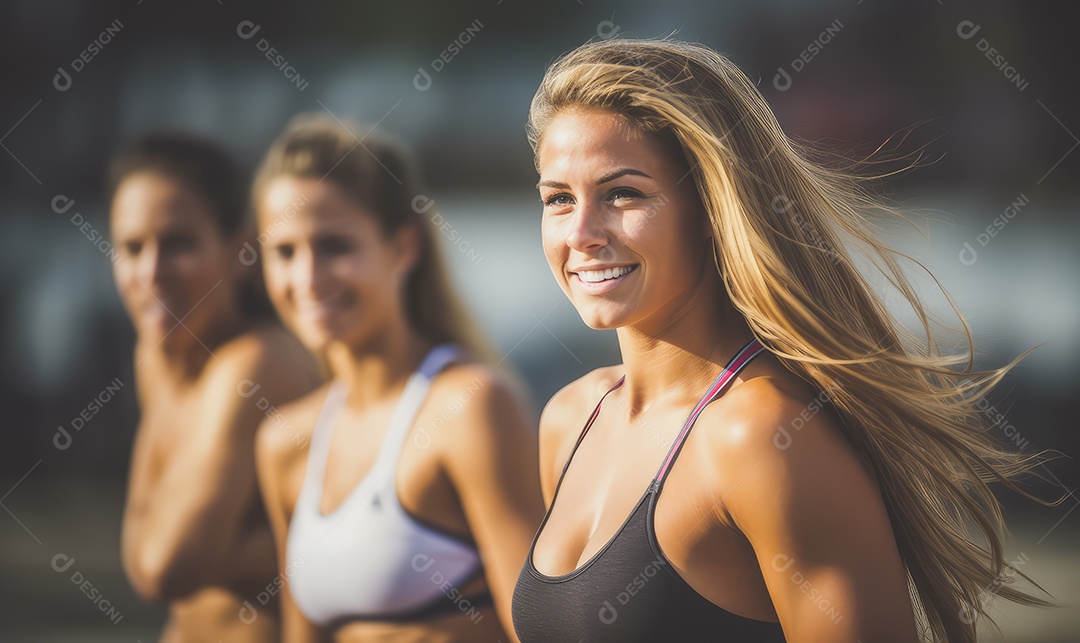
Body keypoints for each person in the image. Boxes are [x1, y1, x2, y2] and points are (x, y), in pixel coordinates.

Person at [510, 39, 1054, 643]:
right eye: (558, 198)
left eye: (623, 193)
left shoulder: (764, 435)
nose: (581, 233)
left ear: (713, 207)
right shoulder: (570, 418)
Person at [252, 115, 544, 642]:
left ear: (402, 248)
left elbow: (538, 630)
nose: (307, 278)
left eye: (335, 246)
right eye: (284, 251)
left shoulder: (470, 406)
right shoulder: (284, 442)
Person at [109, 132, 321, 641]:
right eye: (131, 247)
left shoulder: (256, 364)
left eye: (178, 244)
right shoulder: (157, 357)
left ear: (242, 250)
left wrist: (224, 554)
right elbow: (153, 560)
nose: (151, 272)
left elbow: (161, 566)